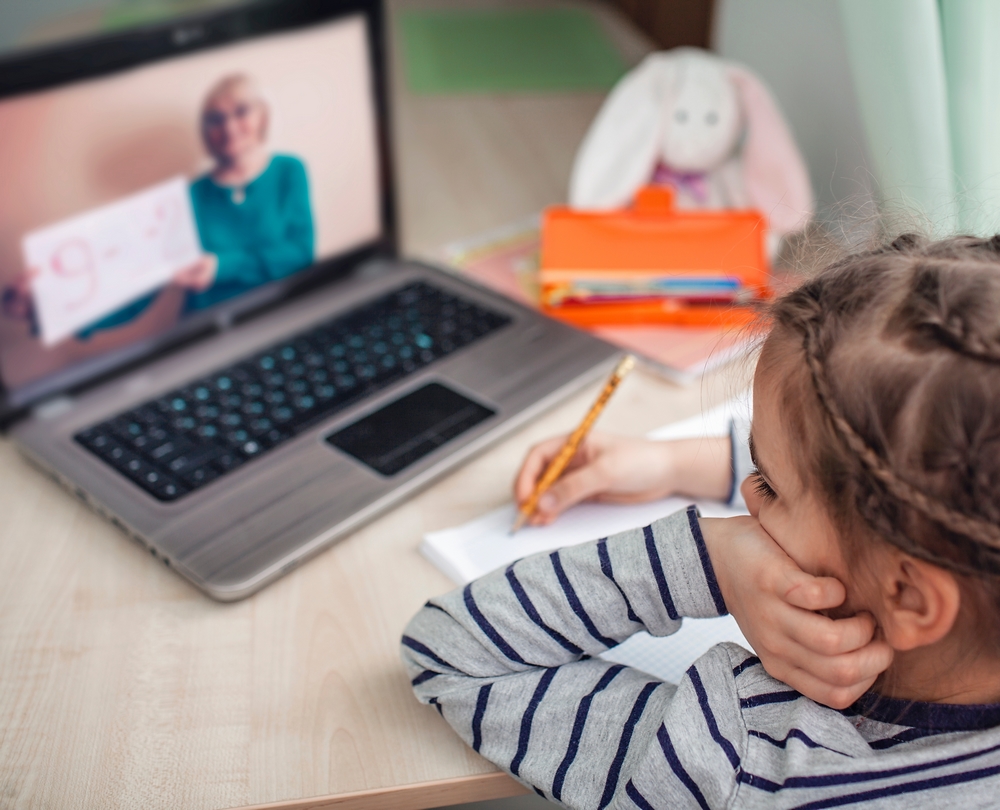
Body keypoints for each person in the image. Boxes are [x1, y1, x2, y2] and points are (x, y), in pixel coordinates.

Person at [401, 234, 1000, 808]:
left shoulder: (742, 761)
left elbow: (450, 652)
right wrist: (671, 463)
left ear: (910, 597)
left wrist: (706, 560)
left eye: (767, 483)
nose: (745, 490)